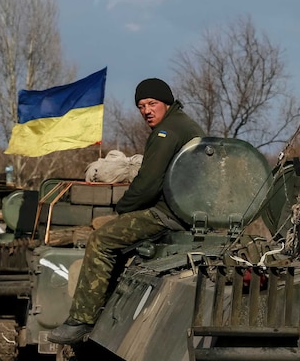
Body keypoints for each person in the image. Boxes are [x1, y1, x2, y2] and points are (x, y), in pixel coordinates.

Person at [48, 78, 203, 345]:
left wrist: (122, 209)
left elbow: (148, 183)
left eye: (152, 103)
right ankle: (105, 303)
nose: (146, 111)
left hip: (168, 214)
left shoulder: (167, 133)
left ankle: (82, 320)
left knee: (101, 239)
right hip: (186, 211)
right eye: (141, 106)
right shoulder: (185, 124)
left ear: (166, 103)